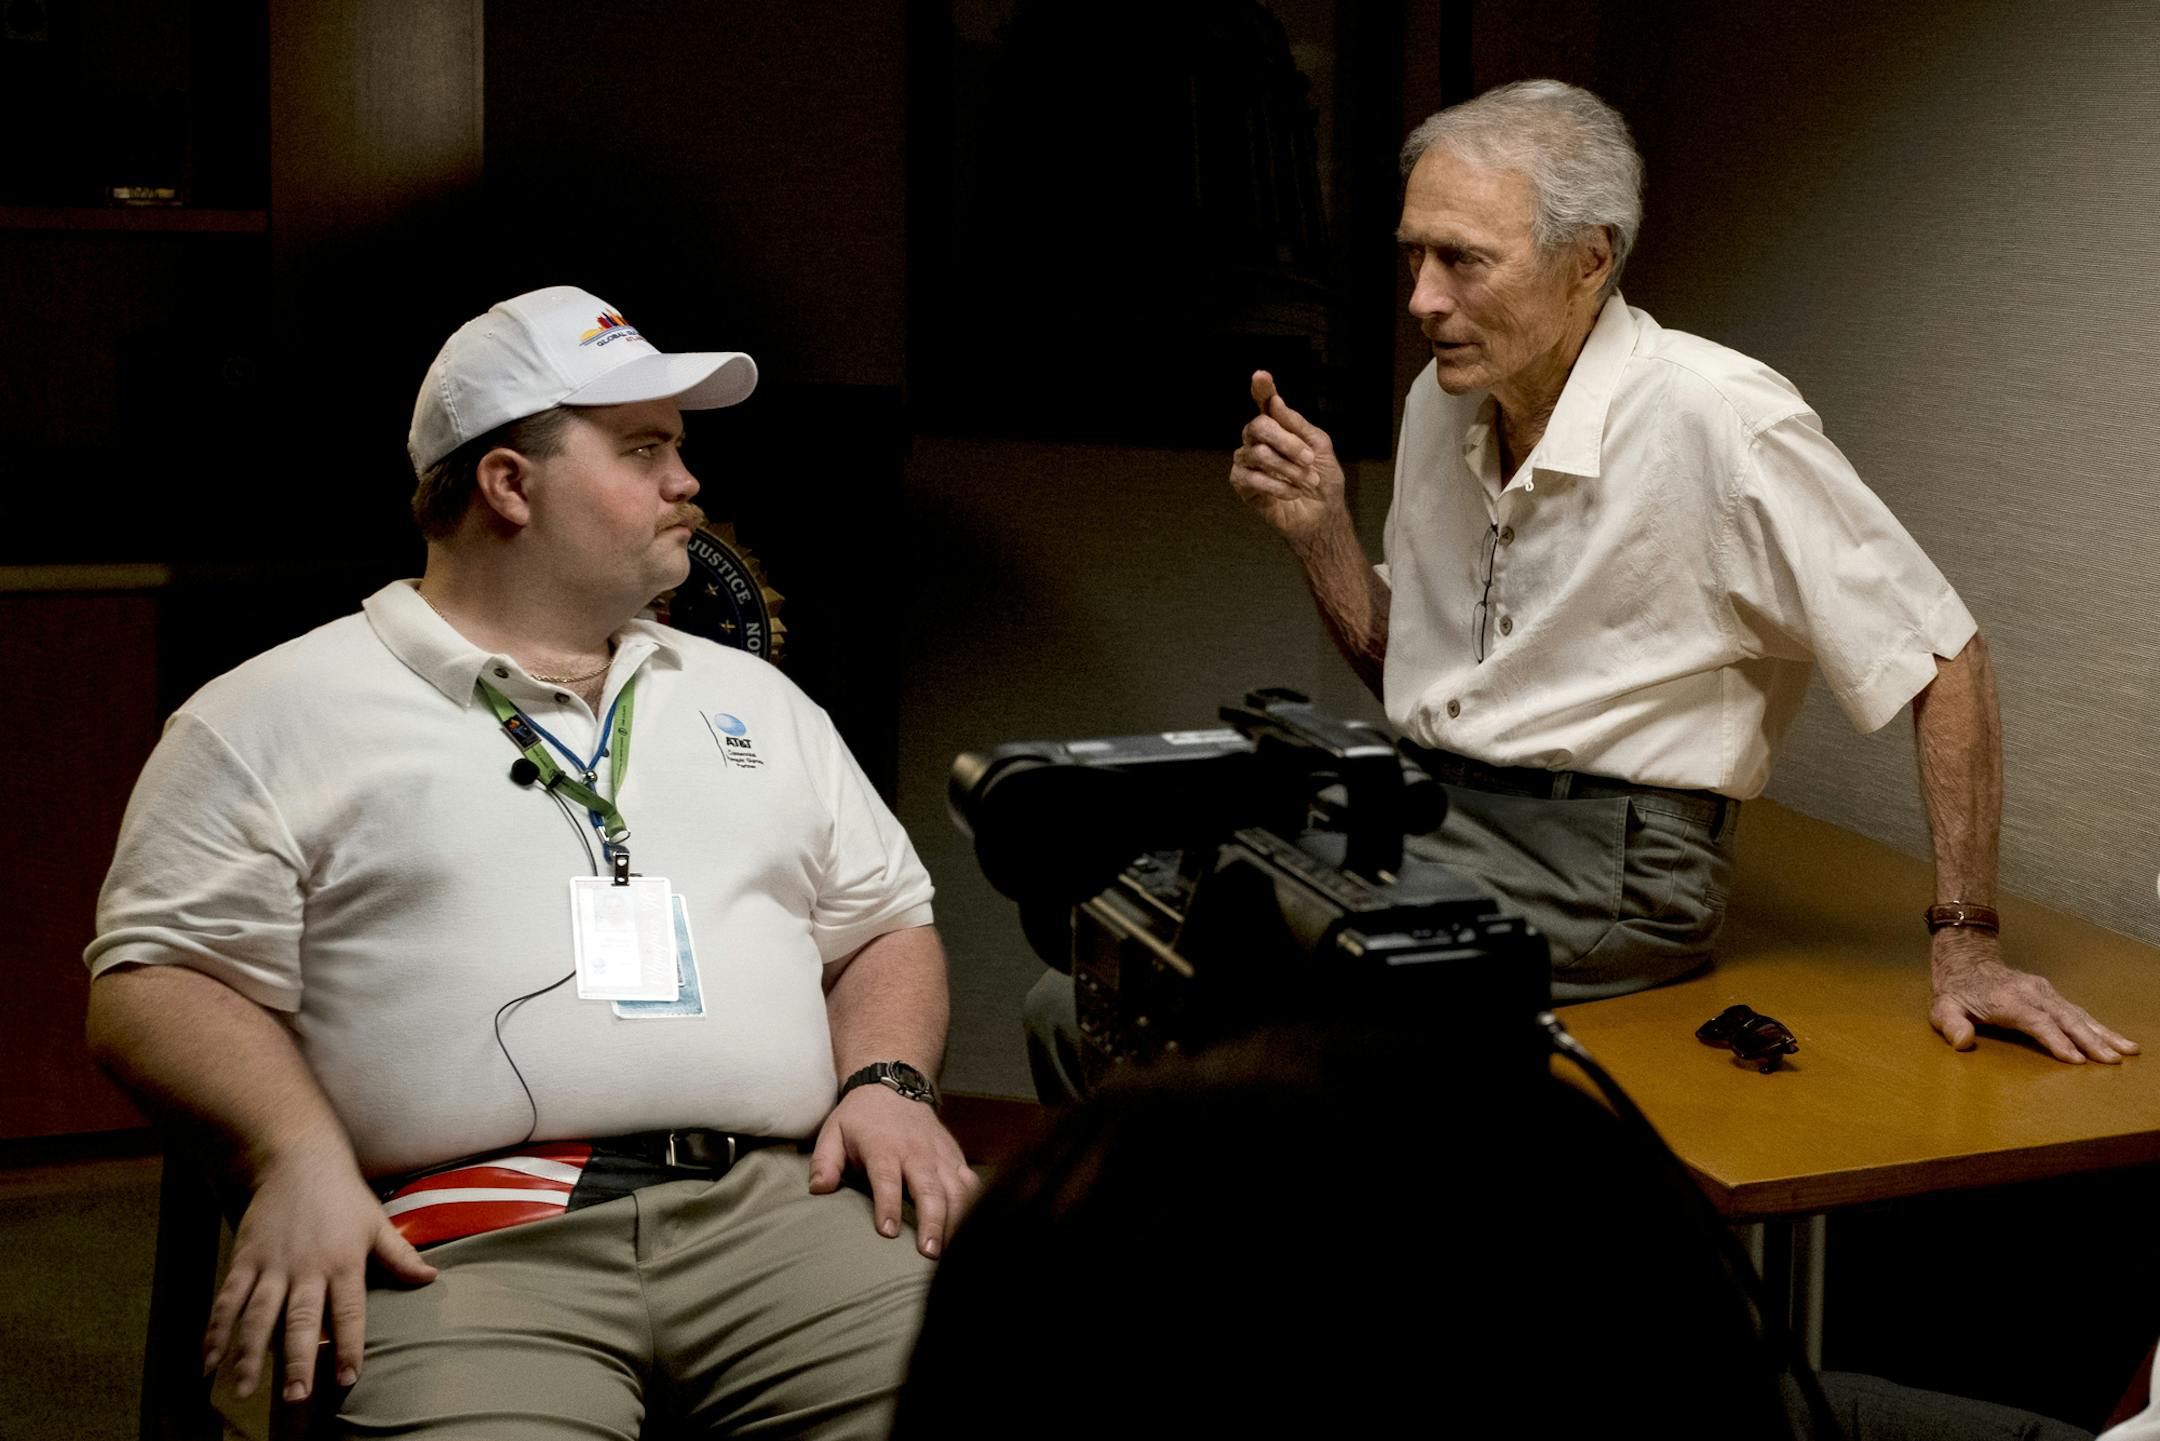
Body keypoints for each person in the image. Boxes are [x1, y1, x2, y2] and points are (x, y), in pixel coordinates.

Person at [85, 284, 976, 1438]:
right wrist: (291, 1153)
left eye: (682, 450)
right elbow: (152, 982)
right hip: (457, 1236)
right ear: (510, 482)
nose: (687, 483)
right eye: (644, 449)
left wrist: (889, 1082)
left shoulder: (757, 700)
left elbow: (885, 926)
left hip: (780, 1204)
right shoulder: (269, 715)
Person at [1223, 78, 2132, 1064]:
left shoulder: (1721, 418)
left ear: (1589, 260)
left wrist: (1969, 947)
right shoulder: (1442, 401)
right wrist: (1319, 532)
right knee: (1134, 929)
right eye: (1415, 255)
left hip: (1617, 870)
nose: (1423, 298)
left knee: (1236, 945)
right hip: (1446, 811)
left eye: (1464, 261)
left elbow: (1946, 656)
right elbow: (1429, 679)